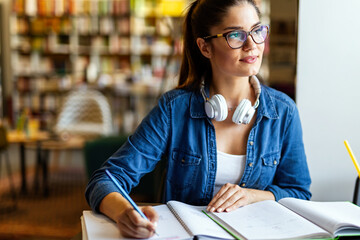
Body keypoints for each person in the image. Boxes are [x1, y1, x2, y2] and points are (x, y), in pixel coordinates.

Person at [85, 0, 312, 238]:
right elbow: (106, 179)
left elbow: (298, 191)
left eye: (257, 31)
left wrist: (253, 195)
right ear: (205, 47)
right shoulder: (175, 109)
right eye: (235, 35)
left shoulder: (283, 111)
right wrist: (124, 214)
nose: (252, 45)